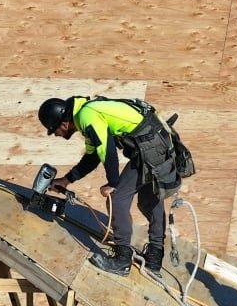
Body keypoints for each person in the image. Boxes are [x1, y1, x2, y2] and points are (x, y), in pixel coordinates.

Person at [38, 95, 183, 276]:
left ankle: (122, 260)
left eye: (54, 131)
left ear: (63, 124)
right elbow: (92, 157)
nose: (57, 135)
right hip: (156, 143)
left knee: (117, 199)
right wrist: (66, 180)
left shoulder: (86, 116)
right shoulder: (88, 112)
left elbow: (107, 150)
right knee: (148, 201)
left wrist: (113, 183)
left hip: (150, 148)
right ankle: (154, 259)